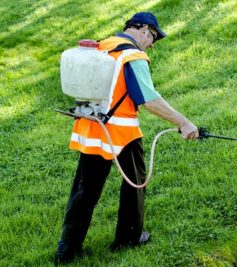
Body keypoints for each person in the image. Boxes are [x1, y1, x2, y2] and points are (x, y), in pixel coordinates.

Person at [55, 12, 199, 264]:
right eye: (153, 37)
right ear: (143, 29)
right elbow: (149, 99)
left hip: (92, 128)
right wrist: (184, 122)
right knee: (135, 183)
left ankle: (67, 249)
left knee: (85, 190)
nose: (152, 44)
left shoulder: (104, 45)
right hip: (122, 133)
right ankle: (129, 238)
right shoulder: (133, 56)